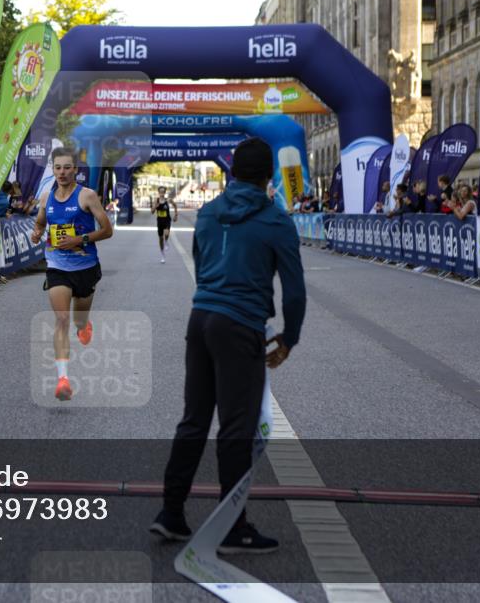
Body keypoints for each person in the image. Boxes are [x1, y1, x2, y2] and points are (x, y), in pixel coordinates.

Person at [152, 137, 306, 554]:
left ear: (233, 172)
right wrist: (289, 337)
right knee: (237, 428)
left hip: (201, 318)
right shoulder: (276, 220)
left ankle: (171, 512)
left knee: (194, 419)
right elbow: (294, 291)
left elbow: (201, 265)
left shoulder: (208, 212)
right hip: (240, 325)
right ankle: (233, 527)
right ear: (269, 176)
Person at [30, 147, 114, 401]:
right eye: (58, 168)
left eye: (67, 167)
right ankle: (63, 379)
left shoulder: (87, 195)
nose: (62, 172)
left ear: (76, 169)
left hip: (85, 267)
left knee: (78, 321)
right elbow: (40, 222)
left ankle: (84, 326)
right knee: (62, 319)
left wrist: (79, 239)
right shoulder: (46, 197)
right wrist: (37, 233)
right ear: (53, 169)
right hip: (57, 266)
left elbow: (107, 230)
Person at [151, 186, 178, 264]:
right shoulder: (156, 200)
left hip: (167, 220)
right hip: (159, 221)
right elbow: (152, 212)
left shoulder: (168, 200)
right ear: (158, 192)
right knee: (160, 239)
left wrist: (176, 215)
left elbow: (175, 205)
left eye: (163, 192)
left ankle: (166, 241)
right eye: (160, 192)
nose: (162, 193)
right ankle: (163, 255)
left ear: (165, 192)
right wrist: (155, 207)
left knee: (166, 233)